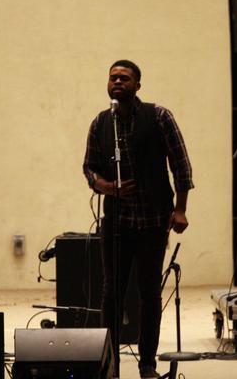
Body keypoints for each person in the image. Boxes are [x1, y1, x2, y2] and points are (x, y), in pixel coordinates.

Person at [83, 59, 193, 378]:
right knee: (111, 293)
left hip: (153, 220)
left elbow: (181, 165)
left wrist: (181, 208)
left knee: (148, 293)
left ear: (137, 85)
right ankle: (110, 365)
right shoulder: (101, 122)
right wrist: (104, 186)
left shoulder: (159, 116)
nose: (117, 82)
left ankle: (147, 364)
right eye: (113, 78)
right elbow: (89, 167)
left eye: (125, 78)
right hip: (116, 222)